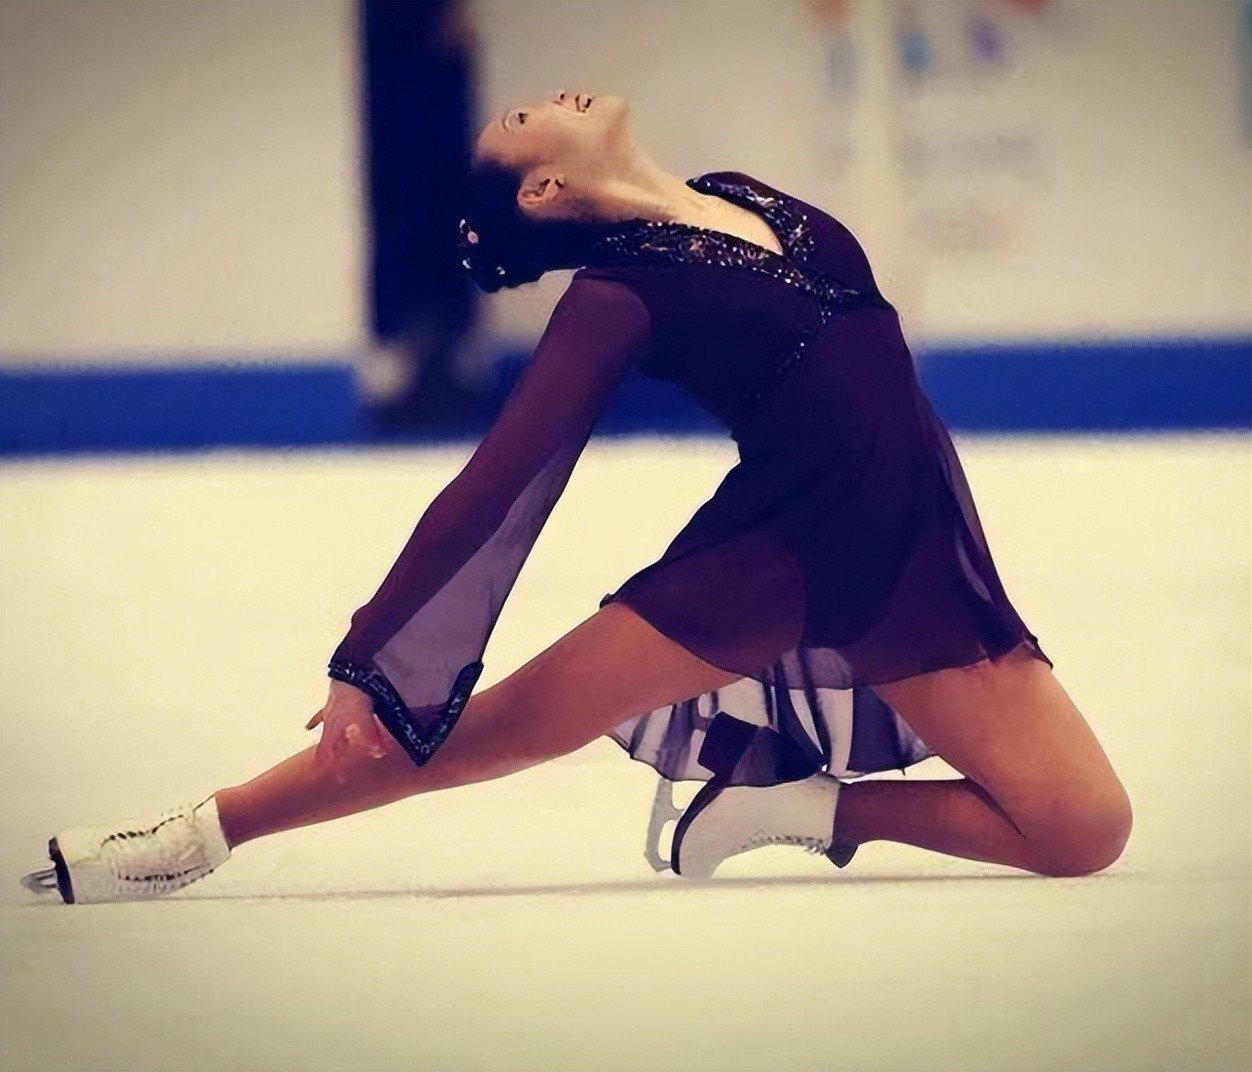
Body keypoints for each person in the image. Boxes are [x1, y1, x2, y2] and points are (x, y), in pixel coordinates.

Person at [24, 92, 1132, 904]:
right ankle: (196, 836)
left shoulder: (740, 195)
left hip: (911, 549)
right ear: (541, 189)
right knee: (492, 731)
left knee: (1082, 826)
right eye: (521, 120)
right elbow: (497, 482)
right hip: (777, 557)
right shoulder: (617, 294)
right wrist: (372, 653)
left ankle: (791, 805)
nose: (544, 98)